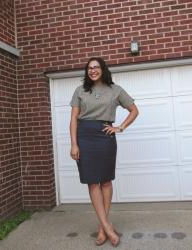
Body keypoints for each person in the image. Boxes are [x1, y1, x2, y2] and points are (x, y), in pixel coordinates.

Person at [69, 57, 139, 247]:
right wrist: (74, 144)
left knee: (106, 181)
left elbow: (134, 110)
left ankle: (102, 228)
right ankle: (108, 228)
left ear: (103, 69)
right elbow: (74, 119)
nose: (92, 71)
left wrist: (120, 127)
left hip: (104, 137)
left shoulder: (115, 90)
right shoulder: (80, 90)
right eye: (89, 68)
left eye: (96, 67)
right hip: (84, 137)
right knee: (92, 182)